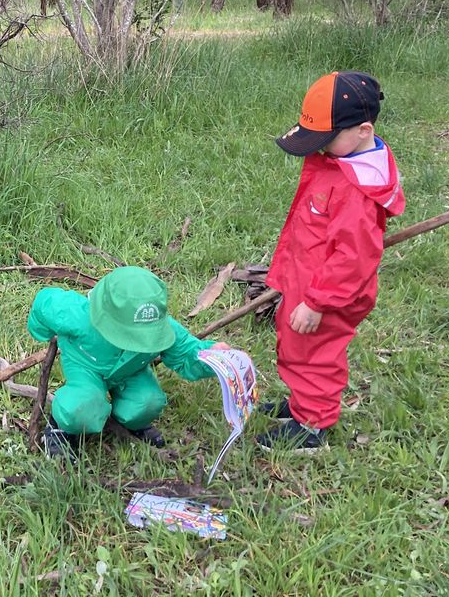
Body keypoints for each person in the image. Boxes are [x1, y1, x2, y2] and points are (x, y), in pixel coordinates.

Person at [257, 71, 405, 451]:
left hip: (327, 294)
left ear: (363, 130)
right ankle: (301, 403)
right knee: (295, 346)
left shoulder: (356, 191)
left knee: (315, 354)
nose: (317, 149)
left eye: (325, 139)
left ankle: (311, 425)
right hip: (308, 280)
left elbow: (354, 259)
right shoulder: (340, 161)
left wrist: (317, 302)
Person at [27, 266, 231, 458]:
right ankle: (60, 428)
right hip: (86, 367)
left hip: (131, 370)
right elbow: (44, 304)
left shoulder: (164, 328)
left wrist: (213, 357)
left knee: (148, 402)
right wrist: (44, 332)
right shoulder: (77, 315)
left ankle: (129, 420)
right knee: (81, 405)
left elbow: (186, 352)